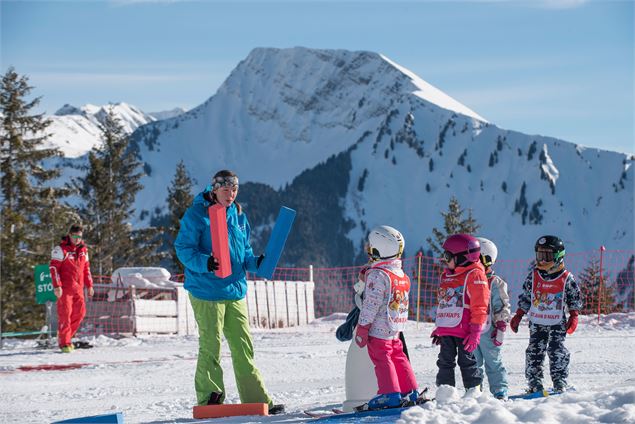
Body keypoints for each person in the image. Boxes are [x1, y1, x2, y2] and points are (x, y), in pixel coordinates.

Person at [174, 170, 284, 415]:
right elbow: (182, 248)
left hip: (234, 290)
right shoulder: (197, 214)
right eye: (225, 190)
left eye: (234, 190)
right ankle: (210, 400)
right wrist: (206, 263)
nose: (230, 194)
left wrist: (258, 262)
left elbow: (244, 253)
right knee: (211, 345)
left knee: (243, 346)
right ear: (214, 189)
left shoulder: (238, 214)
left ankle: (256, 398)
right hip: (206, 291)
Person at [354, 226, 418, 410]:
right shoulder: (400, 274)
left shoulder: (378, 275)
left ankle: (389, 394)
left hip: (378, 328)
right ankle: (410, 390)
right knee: (399, 356)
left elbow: (371, 304)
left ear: (378, 249)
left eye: (371, 247)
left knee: (382, 358)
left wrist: (363, 327)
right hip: (395, 328)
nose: (368, 250)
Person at [510, 235, 582, 393]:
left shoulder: (566, 278)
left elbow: (574, 298)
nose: (542, 260)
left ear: (558, 256)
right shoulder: (534, 276)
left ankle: (559, 381)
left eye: (547, 255)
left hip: (557, 322)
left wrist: (574, 315)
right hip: (537, 322)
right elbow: (526, 296)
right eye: (540, 255)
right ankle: (534, 382)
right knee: (534, 351)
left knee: (557, 350)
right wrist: (519, 314)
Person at [431, 234, 489, 397]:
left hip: (464, 330)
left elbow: (480, 307)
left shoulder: (475, 275)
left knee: (467, 361)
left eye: (448, 256)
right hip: (448, 328)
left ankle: (474, 391)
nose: (444, 259)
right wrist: (439, 328)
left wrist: (475, 332)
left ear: (462, 257)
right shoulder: (447, 275)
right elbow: (444, 303)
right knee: (444, 362)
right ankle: (445, 392)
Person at [473, 237, 510, 399]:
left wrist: (501, 326)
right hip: (472, 330)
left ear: (485, 259)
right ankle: (474, 390)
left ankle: (500, 391)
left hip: (490, 331)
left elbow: (502, 305)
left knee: (493, 362)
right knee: (473, 363)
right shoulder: (469, 279)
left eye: (474, 257)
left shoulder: (495, 282)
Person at [49, 224, 94, 353]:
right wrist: (57, 286)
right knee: (65, 315)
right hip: (65, 289)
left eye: (79, 237)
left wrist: (89, 285)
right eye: (74, 236)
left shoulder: (83, 250)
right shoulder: (60, 249)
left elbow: (86, 269)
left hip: (78, 288)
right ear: (69, 235)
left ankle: (65, 336)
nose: (77, 239)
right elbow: (53, 268)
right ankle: (65, 343)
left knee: (80, 313)